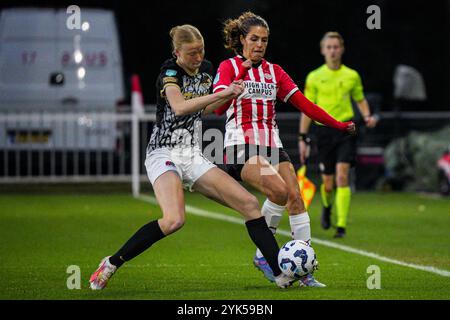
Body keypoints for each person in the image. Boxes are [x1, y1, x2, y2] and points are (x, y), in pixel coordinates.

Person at [89, 24, 295, 290]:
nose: (198, 59)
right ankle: (112, 262)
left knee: (249, 204)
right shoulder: (169, 73)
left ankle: (280, 274)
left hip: (193, 155)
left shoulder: (207, 69)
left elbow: (205, 109)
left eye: (201, 52)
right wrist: (223, 92)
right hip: (163, 152)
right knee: (174, 220)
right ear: (177, 52)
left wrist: (231, 94)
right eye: (191, 54)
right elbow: (180, 107)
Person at [213, 12, 355, 288]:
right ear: (242, 39)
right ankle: (266, 255)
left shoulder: (274, 72)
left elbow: (305, 105)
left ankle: (303, 270)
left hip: (272, 143)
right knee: (278, 191)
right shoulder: (228, 66)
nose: (259, 45)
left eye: (264, 40)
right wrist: (241, 74)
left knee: (296, 199)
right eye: (254, 39)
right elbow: (218, 107)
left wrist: (338, 125)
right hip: (241, 144)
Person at [298, 31, 377, 238]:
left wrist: (367, 116)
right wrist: (302, 136)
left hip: (345, 130)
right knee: (328, 182)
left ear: (342, 49)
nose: (333, 50)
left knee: (343, 175)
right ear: (323, 50)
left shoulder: (351, 75)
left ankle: (341, 226)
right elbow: (308, 107)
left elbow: (360, 99)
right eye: (329, 47)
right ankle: (326, 207)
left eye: (336, 47)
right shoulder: (314, 77)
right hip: (323, 132)